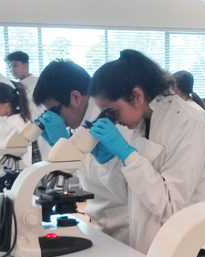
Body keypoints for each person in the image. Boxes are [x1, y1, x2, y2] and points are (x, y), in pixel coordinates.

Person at [88, 49, 205, 254]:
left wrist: (129, 156)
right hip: (149, 244)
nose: (114, 119)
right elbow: (134, 195)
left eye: (113, 111)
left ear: (137, 96)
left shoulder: (187, 122)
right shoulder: (145, 121)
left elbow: (171, 207)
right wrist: (108, 161)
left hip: (183, 248)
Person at [32, 59, 131, 245]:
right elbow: (82, 174)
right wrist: (60, 149)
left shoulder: (112, 123)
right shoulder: (80, 122)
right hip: (101, 220)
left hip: (126, 226)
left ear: (76, 97)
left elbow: (122, 183)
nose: (54, 118)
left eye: (54, 110)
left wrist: (70, 154)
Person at [5, 50, 47, 161]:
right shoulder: (13, 88)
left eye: (15, 65)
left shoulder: (40, 83)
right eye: (10, 67)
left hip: (43, 130)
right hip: (25, 131)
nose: (13, 70)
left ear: (26, 65)